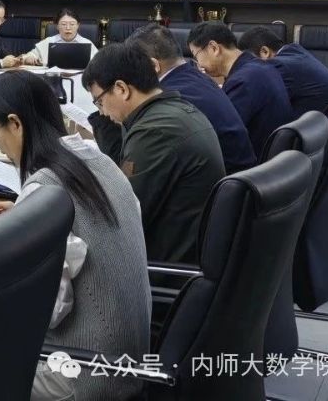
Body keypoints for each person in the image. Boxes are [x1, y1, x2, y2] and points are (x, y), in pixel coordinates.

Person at [0, 70, 150, 401]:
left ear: (15, 124)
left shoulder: (46, 186)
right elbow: (89, 229)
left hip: (86, 373)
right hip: (129, 356)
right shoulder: (97, 158)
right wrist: (17, 229)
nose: (0, 147)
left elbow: (46, 310)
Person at [82, 42, 225, 264]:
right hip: (184, 251)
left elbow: (121, 217)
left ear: (121, 89)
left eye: (100, 102)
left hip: (164, 267)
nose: (103, 112)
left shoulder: (155, 132)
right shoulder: (173, 111)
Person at [128, 24, 257, 173]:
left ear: (153, 65)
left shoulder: (170, 96)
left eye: (135, 67)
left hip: (224, 180)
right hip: (243, 175)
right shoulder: (198, 77)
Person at [187, 22, 293, 158]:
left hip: (256, 164)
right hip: (278, 159)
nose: (199, 64)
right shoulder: (259, 67)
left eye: (196, 56)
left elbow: (219, 133)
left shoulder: (242, 81)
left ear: (214, 48)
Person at [238, 26, 328, 118]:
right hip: (323, 127)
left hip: (314, 129)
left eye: (250, 61)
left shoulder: (279, 66)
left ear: (265, 52)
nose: (248, 67)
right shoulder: (296, 52)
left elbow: (250, 99)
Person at [21, 8, 98, 66]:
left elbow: (99, 63)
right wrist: (28, 59)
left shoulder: (87, 43)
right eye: (63, 24)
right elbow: (28, 56)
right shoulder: (49, 41)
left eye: (72, 24)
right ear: (57, 26)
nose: (68, 28)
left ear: (78, 25)